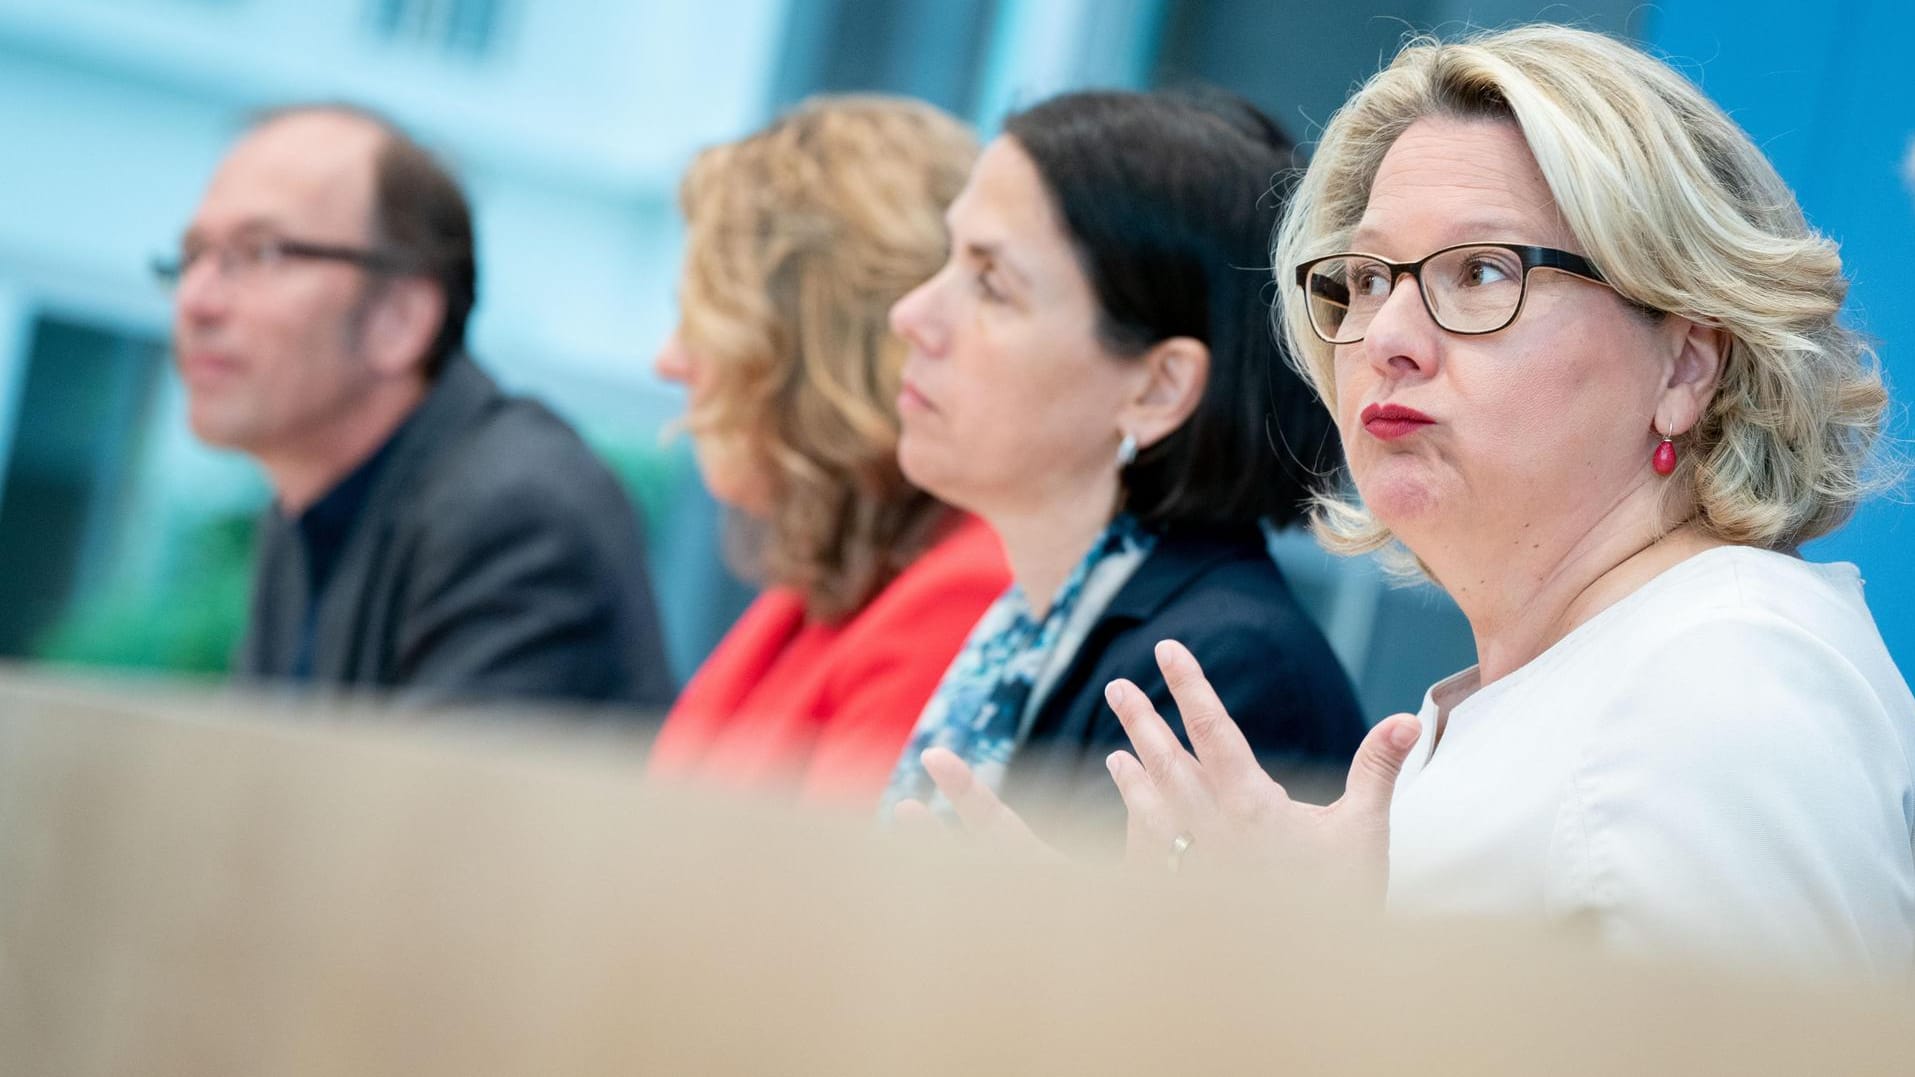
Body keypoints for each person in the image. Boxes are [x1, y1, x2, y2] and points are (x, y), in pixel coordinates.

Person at [920, 27, 1915, 979]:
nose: (1385, 334)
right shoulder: (1560, 680)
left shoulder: (1721, 679)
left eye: (1480, 272)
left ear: (1685, 365)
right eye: (1361, 279)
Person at [878, 90, 1368, 833]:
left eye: (989, 284)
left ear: (1156, 386)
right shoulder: (1038, 618)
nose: (910, 315)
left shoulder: (1225, 677)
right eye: (950, 261)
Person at [165, 104, 672, 709]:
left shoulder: (515, 510)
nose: (197, 301)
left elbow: (442, 805)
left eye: (263, 253)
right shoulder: (301, 510)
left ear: (399, 320)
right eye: (194, 256)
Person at [645, 97, 1009, 807]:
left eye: (704, 322)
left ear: (814, 349)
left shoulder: (960, 593)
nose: (670, 361)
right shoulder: (841, 568)